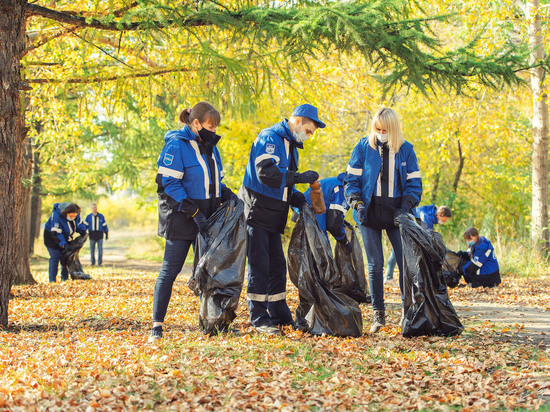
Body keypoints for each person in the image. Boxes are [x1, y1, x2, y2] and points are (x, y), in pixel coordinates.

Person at [150, 102, 236, 342]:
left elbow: (213, 180)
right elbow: (168, 184)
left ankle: (214, 323)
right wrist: (193, 211)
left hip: (207, 219)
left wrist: (226, 193)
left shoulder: (210, 147)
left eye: (216, 126)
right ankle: (157, 326)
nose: (214, 129)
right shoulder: (176, 145)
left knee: (209, 272)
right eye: (211, 125)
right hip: (181, 217)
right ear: (195, 123)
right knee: (170, 270)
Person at [241, 104, 324, 335]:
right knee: (259, 266)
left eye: (311, 134)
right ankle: (258, 317)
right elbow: (266, 173)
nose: (308, 136)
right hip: (257, 211)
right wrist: (298, 178)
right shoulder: (270, 137)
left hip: (274, 215)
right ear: (297, 121)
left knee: (277, 267)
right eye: (308, 130)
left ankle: (278, 313)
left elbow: (283, 182)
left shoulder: (291, 145)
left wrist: (296, 198)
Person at [344, 107, 422, 333]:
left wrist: (406, 206)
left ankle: (408, 312)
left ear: (393, 129)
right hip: (368, 212)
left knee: (405, 262)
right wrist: (357, 204)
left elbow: (414, 184)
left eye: (385, 130)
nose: (380, 133)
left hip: (397, 212)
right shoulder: (363, 147)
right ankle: (379, 316)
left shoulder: (406, 150)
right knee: (375, 264)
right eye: (377, 129)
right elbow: (351, 181)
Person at [384, 205, 451, 286]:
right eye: (444, 220)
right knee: (396, 252)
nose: (443, 222)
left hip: (409, 230)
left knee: (396, 252)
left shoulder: (430, 213)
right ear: (439, 215)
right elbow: (426, 237)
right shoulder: (427, 217)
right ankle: (389, 277)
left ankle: (389, 277)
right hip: (405, 230)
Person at [303, 172, 352, 253]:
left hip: (308, 206)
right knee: (322, 248)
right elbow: (333, 224)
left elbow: (334, 217)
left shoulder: (339, 182)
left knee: (317, 247)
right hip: (311, 208)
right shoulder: (343, 191)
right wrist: (345, 242)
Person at [43, 202, 87, 283]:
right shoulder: (56, 216)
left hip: (66, 237)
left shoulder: (75, 213)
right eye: (71, 216)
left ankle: (65, 279)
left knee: (66, 257)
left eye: (74, 216)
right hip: (52, 238)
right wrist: (63, 244)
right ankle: (52, 280)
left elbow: (79, 224)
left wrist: (82, 230)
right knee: (55, 257)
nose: (73, 218)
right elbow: (57, 233)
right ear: (65, 213)